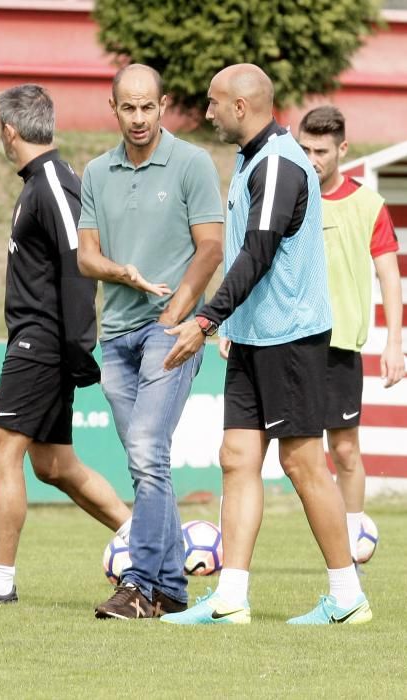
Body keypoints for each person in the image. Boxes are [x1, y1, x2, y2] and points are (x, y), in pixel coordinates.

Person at [160, 64, 372, 625]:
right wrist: (231, 326)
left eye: (212, 103)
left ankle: (347, 596)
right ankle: (231, 598)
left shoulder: (279, 163)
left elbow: (258, 252)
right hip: (255, 336)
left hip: (293, 338)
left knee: (303, 462)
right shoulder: (253, 157)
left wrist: (205, 321)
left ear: (240, 107)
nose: (206, 112)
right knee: (236, 457)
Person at [0, 84, 131, 605]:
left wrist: (76, 346)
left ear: (9, 130)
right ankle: (145, 539)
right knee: (53, 465)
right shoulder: (41, 182)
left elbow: (80, 262)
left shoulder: (52, 182)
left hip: (42, 342)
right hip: (43, 341)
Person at [77, 64, 224, 619]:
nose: (138, 118)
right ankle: (170, 590)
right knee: (147, 462)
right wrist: (125, 274)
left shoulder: (191, 163)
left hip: (170, 333)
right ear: (112, 109)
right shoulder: (95, 171)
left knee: (145, 452)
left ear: (162, 106)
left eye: (147, 107)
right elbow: (86, 256)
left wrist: (178, 314)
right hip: (114, 337)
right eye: (128, 108)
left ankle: (138, 585)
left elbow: (210, 247)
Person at [298, 106, 405, 563]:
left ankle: (353, 546)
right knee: (282, 453)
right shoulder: (288, 198)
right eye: (303, 149)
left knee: (344, 450)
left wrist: (395, 343)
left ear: (342, 149)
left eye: (320, 151)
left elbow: (388, 276)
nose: (311, 159)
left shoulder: (369, 206)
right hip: (289, 341)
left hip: (339, 346)